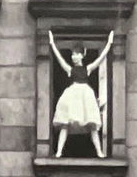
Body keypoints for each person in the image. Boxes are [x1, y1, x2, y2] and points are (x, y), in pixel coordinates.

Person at [47, 29, 114, 157]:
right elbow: (59, 58)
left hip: (85, 97)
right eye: (72, 54)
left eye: (76, 54)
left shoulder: (87, 69)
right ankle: (59, 151)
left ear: (82, 55)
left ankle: (99, 151)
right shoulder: (70, 70)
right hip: (73, 96)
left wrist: (109, 43)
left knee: (92, 124)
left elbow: (100, 58)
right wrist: (52, 44)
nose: (73, 57)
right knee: (65, 123)